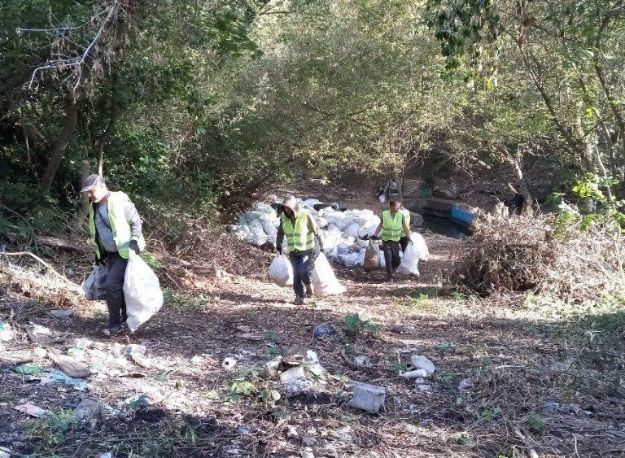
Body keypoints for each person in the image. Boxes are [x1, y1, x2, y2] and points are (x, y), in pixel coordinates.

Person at [80, 174, 145, 336]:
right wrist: (99, 253)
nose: (89, 195)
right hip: (110, 253)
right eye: (87, 192)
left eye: (91, 191)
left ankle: (114, 324)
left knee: (111, 285)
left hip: (125, 251)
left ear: (102, 186)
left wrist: (135, 241)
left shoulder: (119, 201)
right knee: (119, 287)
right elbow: (98, 231)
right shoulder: (94, 207)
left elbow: (136, 222)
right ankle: (125, 320)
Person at [275, 196, 324, 305]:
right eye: (284, 208)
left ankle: (308, 285)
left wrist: (321, 244)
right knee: (296, 273)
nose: (286, 210)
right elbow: (280, 233)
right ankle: (299, 297)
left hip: (306, 249)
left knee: (302, 271)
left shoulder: (305, 215)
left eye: (288, 208)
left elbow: (316, 230)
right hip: (293, 251)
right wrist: (278, 245)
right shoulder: (283, 217)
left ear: (294, 208)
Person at [372, 198, 411, 281]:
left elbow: (405, 227)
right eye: (397, 207)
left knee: (396, 258)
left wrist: (408, 237)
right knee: (388, 258)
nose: (398, 208)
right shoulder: (385, 214)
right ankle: (390, 276)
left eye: (399, 207)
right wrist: (375, 234)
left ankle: (393, 271)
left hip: (396, 241)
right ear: (391, 206)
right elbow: (381, 225)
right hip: (386, 241)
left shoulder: (400, 215)